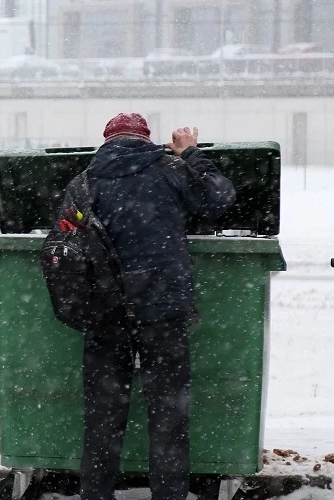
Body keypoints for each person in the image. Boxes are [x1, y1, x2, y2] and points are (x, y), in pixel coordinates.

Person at [69, 113, 236, 500]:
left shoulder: (84, 180)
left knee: (103, 417)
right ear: (148, 140)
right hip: (163, 311)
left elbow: (66, 241)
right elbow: (221, 198)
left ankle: (95, 493)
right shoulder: (169, 169)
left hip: (106, 313)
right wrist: (191, 153)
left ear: (106, 140)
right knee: (168, 416)